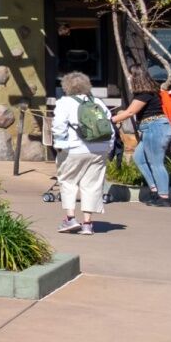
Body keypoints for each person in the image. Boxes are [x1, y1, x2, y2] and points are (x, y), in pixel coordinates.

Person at [51, 72, 112, 235]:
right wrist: (108, 148)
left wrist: (59, 144)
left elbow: (58, 125)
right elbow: (109, 126)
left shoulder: (65, 102)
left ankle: (70, 219)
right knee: (92, 185)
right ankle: (87, 223)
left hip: (74, 148)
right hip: (99, 149)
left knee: (68, 181)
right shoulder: (98, 102)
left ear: (66, 86)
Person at [111, 66, 171, 206]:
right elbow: (129, 111)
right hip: (150, 129)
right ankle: (154, 190)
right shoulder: (148, 93)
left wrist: (108, 120)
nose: (129, 79)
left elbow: (129, 113)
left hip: (155, 128)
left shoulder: (145, 93)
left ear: (137, 78)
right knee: (139, 158)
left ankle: (164, 197)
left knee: (156, 163)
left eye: (131, 76)